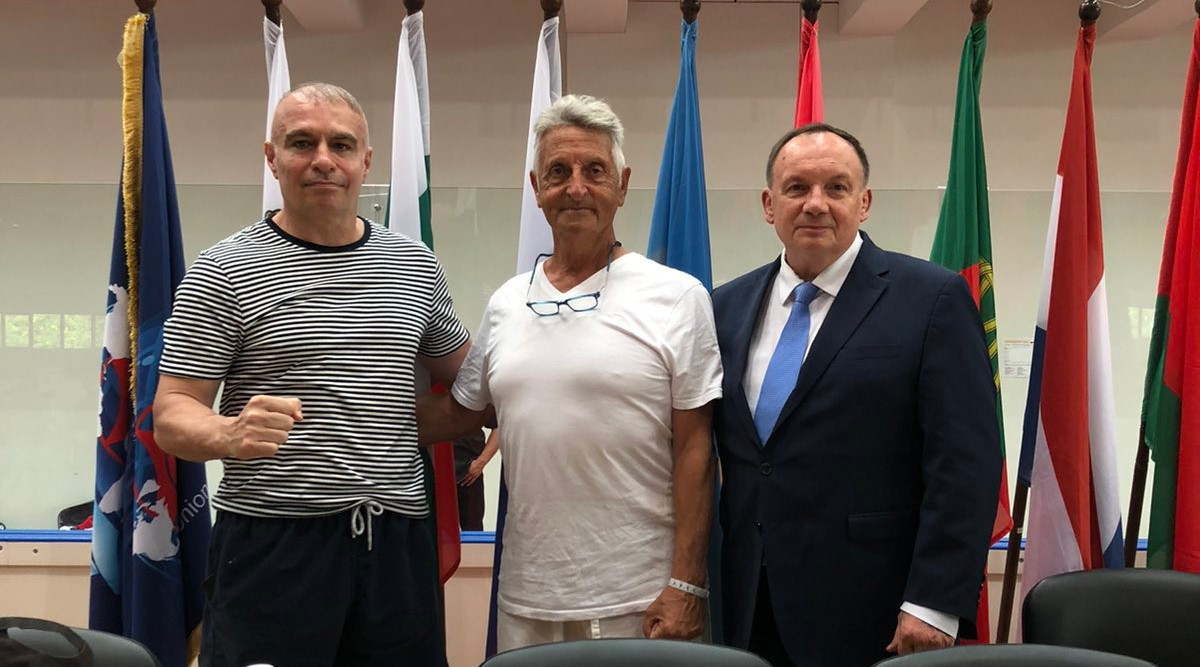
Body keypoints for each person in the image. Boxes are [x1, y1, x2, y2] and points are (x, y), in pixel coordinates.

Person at [153, 83, 470, 667]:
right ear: (272, 158)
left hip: (395, 544)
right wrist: (227, 433)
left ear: (365, 162)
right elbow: (171, 415)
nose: (324, 159)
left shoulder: (414, 263)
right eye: (302, 143)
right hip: (272, 547)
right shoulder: (223, 268)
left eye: (341, 145)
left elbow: (472, 381)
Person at [419, 94, 722, 651]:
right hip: (526, 598)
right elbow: (460, 413)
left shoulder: (677, 297)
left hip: (640, 599)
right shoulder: (507, 302)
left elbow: (696, 448)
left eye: (594, 171)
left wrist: (686, 583)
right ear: (536, 187)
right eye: (558, 172)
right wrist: (325, 405)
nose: (575, 187)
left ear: (622, 185)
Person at [710, 123, 1002, 667]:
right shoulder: (724, 307)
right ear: (769, 205)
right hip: (747, 605)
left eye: (836, 188)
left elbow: (965, 463)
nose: (815, 204)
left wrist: (935, 602)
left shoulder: (932, 299)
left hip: (877, 610)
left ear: (863, 203)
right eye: (797, 188)